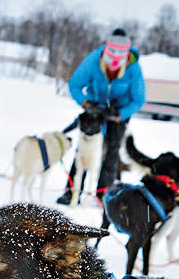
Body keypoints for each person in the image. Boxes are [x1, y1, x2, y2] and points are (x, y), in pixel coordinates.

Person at [57, 28, 145, 205]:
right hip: (95, 107)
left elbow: (138, 100)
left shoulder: (133, 68)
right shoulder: (93, 60)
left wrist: (121, 114)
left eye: (116, 65)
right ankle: (71, 192)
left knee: (111, 152)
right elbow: (75, 84)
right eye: (109, 63)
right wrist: (85, 103)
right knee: (84, 148)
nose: (112, 67)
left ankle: (103, 194)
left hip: (118, 111)